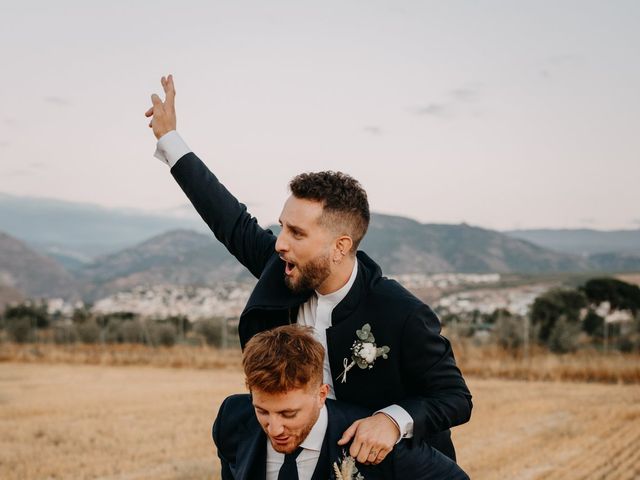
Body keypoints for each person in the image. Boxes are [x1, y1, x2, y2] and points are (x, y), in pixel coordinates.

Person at [146, 75, 472, 463]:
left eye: (297, 233)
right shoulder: (282, 266)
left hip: (387, 467)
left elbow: (454, 398)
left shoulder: (401, 312)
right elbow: (227, 216)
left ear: (340, 247)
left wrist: (391, 420)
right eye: (282, 225)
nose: (280, 242)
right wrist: (170, 139)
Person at [213, 325, 469, 480]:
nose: (274, 429)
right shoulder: (232, 420)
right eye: (262, 411)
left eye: (289, 414)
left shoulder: (376, 444)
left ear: (321, 395)